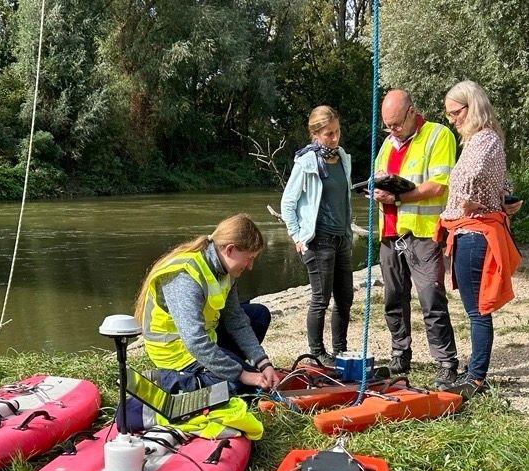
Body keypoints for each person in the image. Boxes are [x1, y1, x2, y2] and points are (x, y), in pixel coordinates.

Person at [436, 80, 522, 400]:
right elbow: (504, 183)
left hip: (475, 232)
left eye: (454, 113)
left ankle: (475, 379)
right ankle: (475, 374)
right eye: (449, 115)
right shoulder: (486, 141)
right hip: (473, 230)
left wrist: (466, 202)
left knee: (478, 311)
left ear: (471, 107)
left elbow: (471, 180)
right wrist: (502, 199)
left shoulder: (483, 140)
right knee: (477, 309)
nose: (452, 119)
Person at [372, 89, 461, 388]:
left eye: (396, 124)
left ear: (412, 112)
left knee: (431, 298)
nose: (392, 130)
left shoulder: (439, 136)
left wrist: (397, 197)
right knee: (393, 299)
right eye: (388, 125)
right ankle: (400, 354)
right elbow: (380, 179)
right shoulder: (386, 144)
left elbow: (439, 186)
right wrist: (377, 193)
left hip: (423, 232)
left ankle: (446, 362)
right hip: (390, 233)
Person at [134, 213, 280, 394]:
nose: (250, 266)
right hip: (176, 353)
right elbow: (194, 341)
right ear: (230, 249)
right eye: (248, 258)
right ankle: (171, 379)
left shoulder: (225, 269)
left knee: (259, 314)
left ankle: (221, 368)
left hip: (204, 337)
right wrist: (242, 374)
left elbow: (237, 320)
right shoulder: (185, 277)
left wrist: (263, 363)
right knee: (245, 388)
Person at [280, 105, 355, 368]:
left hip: (342, 238)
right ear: (315, 134)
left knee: (345, 297)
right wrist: (297, 237)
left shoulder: (343, 158)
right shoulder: (307, 162)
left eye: (336, 132)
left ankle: (341, 350)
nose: (334, 139)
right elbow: (288, 202)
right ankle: (317, 352)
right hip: (318, 240)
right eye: (328, 135)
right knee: (320, 299)